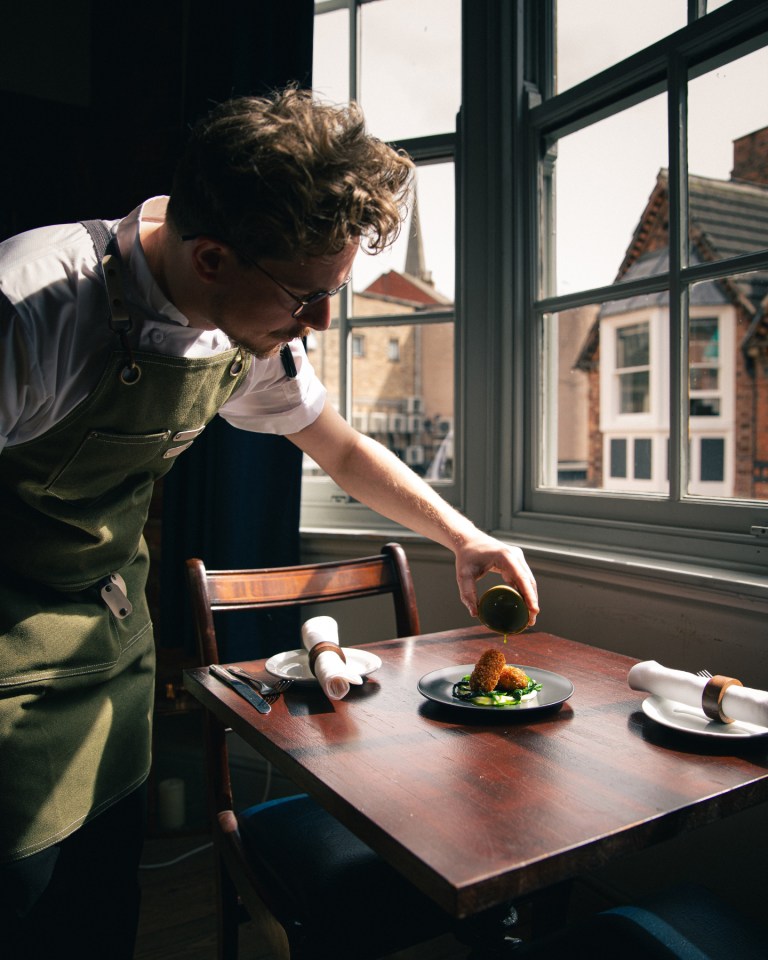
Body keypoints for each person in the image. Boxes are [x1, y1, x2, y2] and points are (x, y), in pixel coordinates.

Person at [0, 87, 539, 958]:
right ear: (212, 256)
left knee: (99, 914)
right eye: (306, 295)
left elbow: (343, 450)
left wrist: (464, 538)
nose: (319, 322)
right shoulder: (33, 305)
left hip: (107, 648)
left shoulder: (238, 321)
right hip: (5, 663)